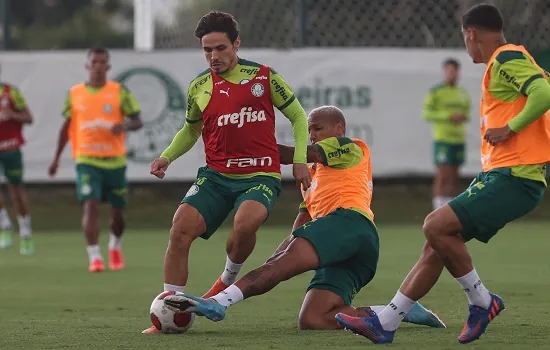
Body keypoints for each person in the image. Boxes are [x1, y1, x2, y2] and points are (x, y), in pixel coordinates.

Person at [334, 3, 550, 345]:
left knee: (435, 225)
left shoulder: (507, 57)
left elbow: (544, 93)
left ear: (471, 34)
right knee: (436, 244)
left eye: (464, 38)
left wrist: (509, 128)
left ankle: (482, 301)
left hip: (515, 177)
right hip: (505, 174)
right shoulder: (509, 62)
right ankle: (386, 321)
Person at [161, 106, 446, 331]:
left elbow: (305, 154)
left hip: (350, 225)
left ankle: (218, 304)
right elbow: (300, 228)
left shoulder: (350, 146)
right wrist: (274, 260)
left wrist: (252, 146)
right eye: (309, 130)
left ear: (339, 128)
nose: (312, 135)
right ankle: (398, 311)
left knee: (280, 267)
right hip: (347, 247)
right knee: (314, 318)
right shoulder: (311, 177)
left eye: (317, 128)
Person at [142, 10, 310, 334]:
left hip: (260, 175)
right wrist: (167, 157)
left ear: (236, 44)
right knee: (179, 231)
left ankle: (226, 279)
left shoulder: (263, 77)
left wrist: (300, 160)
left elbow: (299, 117)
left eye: (220, 48)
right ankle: (172, 311)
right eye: (207, 50)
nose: (214, 56)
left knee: (245, 224)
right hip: (216, 176)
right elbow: (190, 131)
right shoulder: (198, 87)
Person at [49, 47, 143, 272]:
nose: (98, 66)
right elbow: (66, 127)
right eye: (94, 62)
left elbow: (138, 121)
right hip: (87, 159)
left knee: (118, 212)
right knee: (89, 205)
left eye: (103, 62)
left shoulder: (119, 92)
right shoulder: (75, 94)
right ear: (87, 66)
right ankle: (95, 257)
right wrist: (56, 158)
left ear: (108, 66)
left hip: (115, 161)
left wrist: (125, 126)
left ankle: (115, 247)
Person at [423, 58, 471, 210]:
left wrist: (462, 117)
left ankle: (450, 209)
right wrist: (448, 116)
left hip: (459, 139)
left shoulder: (462, 93)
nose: (452, 74)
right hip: (443, 138)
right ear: (445, 72)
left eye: (454, 71)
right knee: (442, 174)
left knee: (454, 175)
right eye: (449, 71)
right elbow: (427, 113)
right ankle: (437, 209)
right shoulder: (436, 92)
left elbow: (468, 114)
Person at [0, 75, 34, 255]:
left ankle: (25, 233)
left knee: (16, 192)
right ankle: (4, 225)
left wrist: (12, 114)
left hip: (10, 149)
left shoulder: (10, 92)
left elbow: (29, 117)